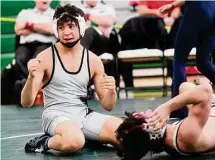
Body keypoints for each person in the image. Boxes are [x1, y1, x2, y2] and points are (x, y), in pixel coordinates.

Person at [21, 4, 122, 154]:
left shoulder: (93, 60)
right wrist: (31, 77)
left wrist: (112, 91)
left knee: (123, 134)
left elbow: (108, 106)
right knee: (74, 141)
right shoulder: (45, 57)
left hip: (82, 114)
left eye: (71, 26)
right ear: (56, 30)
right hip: (55, 115)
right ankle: (44, 142)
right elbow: (26, 102)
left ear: (81, 27)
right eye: (61, 28)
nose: (66, 32)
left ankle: (88, 136)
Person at [116, 82, 215, 160]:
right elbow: (206, 90)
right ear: (153, 128)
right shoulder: (185, 135)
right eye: (145, 116)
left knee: (184, 87)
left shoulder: (169, 142)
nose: (148, 111)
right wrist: (168, 107)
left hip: (211, 114)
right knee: (189, 89)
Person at [159, 1, 215, 118]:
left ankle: (180, 108)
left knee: (179, 60)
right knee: (203, 62)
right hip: (213, 10)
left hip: (197, 9)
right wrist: (174, 5)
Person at [15, 0, 56, 78]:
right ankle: (27, 83)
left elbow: (51, 30)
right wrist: (42, 29)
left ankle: (33, 84)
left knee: (36, 62)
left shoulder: (55, 14)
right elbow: (18, 30)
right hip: (25, 45)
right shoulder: (24, 13)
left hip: (45, 45)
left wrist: (27, 24)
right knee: (20, 59)